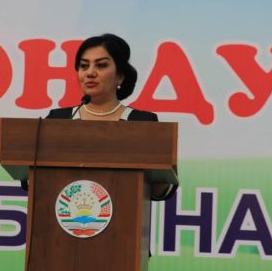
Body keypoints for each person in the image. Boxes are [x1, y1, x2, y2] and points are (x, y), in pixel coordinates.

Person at [46, 33, 177, 201]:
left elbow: (161, 189)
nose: (90, 73)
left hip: (123, 213)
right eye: (84, 66)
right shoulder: (58, 120)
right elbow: (34, 179)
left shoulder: (143, 123)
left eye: (101, 65)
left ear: (120, 76)